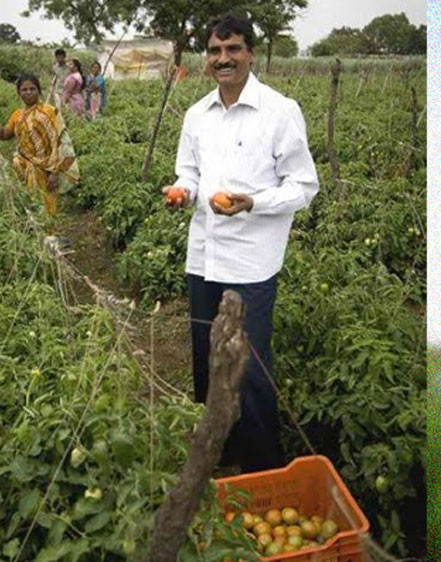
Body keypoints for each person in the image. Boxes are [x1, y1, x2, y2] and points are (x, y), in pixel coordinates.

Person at [161, 15, 319, 473]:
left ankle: (260, 469)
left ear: (250, 53)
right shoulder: (196, 115)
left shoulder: (279, 111)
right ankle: (215, 457)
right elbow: (188, 172)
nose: (222, 59)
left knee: (248, 370)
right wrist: (183, 191)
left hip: (251, 266)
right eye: (214, 51)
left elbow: (304, 186)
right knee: (206, 361)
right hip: (204, 258)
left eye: (232, 49)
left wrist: (253, 203)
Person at [0, 74, 78, 250]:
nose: (28, 92)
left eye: (32, 89)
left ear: (39, 91)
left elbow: (60, 141)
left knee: (49, 203)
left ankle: (51, 239)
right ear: (19, 93)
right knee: (34, 201)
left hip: (49, 167)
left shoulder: (50, 112)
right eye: (24, 90)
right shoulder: (18, 116)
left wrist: (55, 171)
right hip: (28, 168)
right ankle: (41, 239)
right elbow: (5, 135)